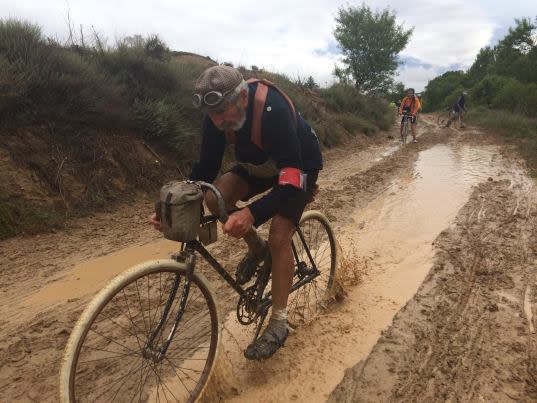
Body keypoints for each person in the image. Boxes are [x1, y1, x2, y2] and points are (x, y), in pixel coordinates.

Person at [151, 65, 323, 360]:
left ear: (243, 96)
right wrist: (167, 208)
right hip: (260, 165)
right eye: (212, 115)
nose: (219, 122)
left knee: (280, 236)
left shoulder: (274, 110)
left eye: (223, 113)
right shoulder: (216, 119)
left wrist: (251, 214)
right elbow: (204, 170)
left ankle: (279, 322)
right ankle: (258, 249)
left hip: (298, 168)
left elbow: (291, 180)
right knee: (213, 198)